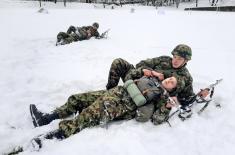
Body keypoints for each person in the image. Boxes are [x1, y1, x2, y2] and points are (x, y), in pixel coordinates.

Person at [29, 75, 184, 147]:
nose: (169, 81)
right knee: (77, 99)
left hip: (119, 105)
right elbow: (130, 77)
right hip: (115, 92)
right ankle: (46, 119)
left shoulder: (163, 98)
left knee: (86, 116)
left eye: (172, 83)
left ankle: (50, 139)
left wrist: (166, 108)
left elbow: (156, 119)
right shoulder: (152, 78)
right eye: (170, 78)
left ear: (173, 89)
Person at [105, 44, 209, 122]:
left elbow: (186, 98)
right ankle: (110, 91)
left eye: (180, 59)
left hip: (148, 93)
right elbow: (141, 64)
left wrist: (200, 96)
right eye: (175, 57)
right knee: (119, 62)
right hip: (137, 78)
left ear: (186, 61)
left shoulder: (186, 77)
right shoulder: (164, 59)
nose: (175, 61)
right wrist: (151, 72)